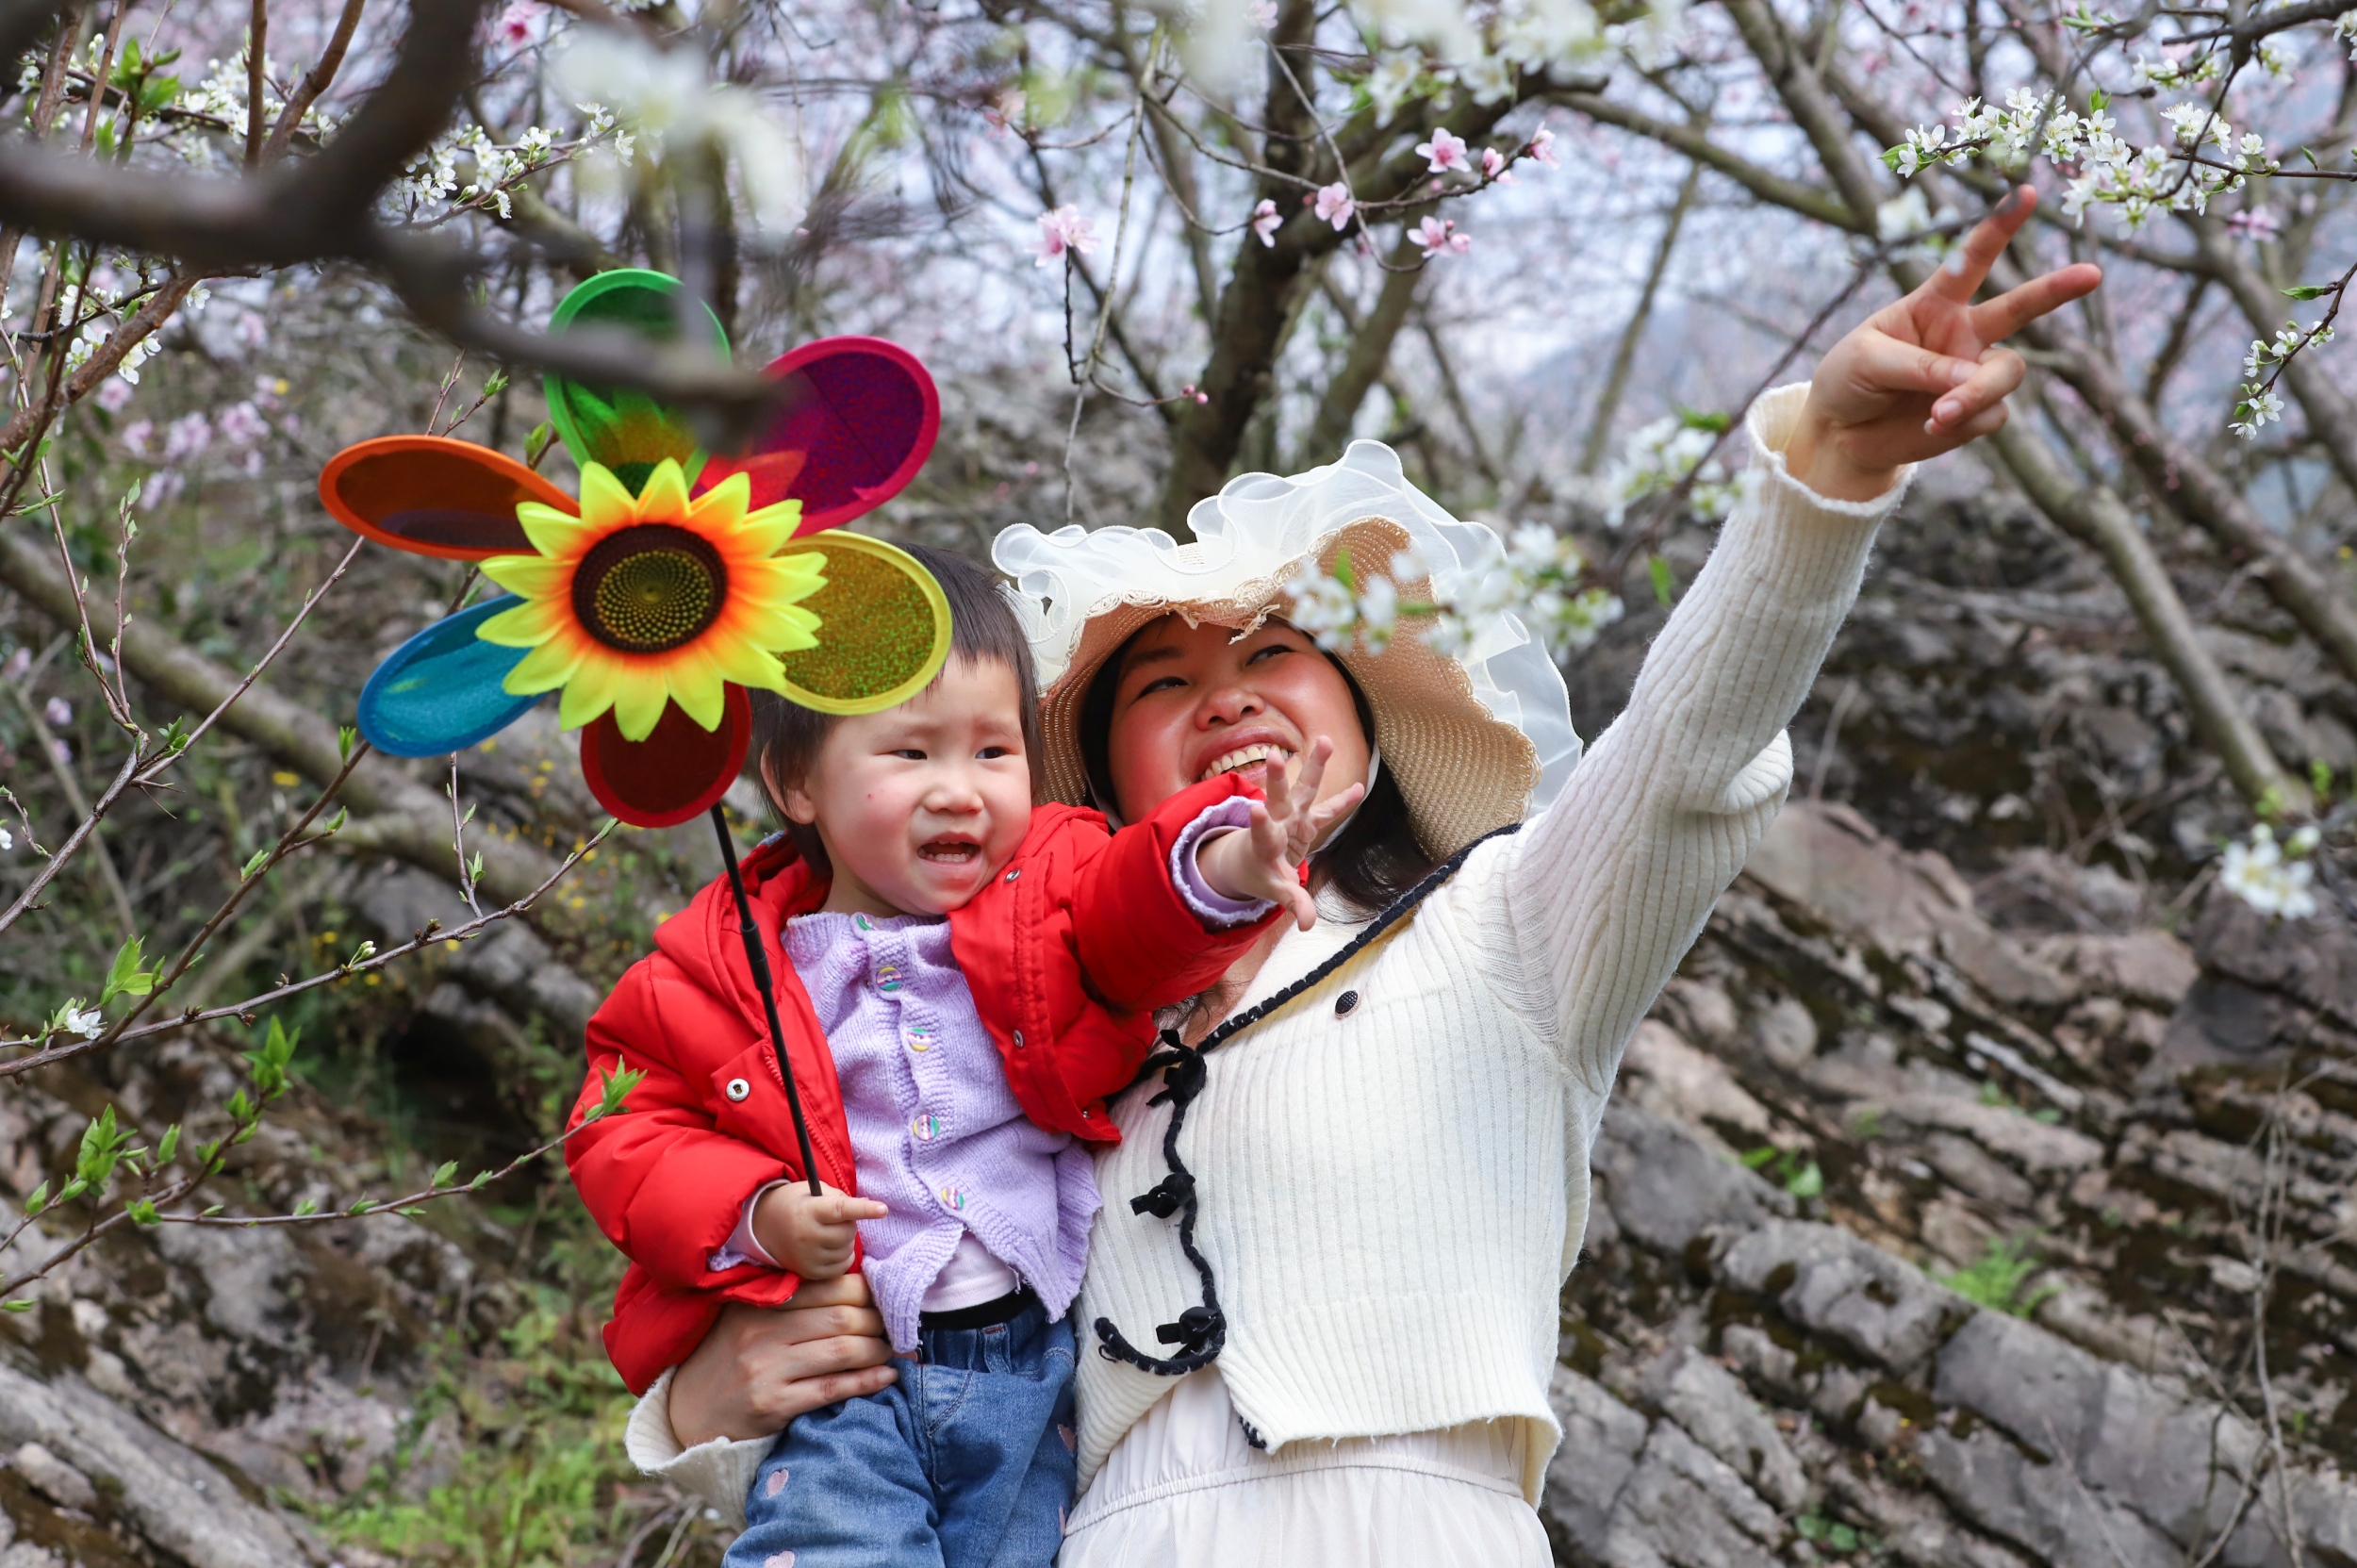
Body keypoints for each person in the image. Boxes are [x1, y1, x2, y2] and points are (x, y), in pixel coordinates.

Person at [625, 190, 2100, 1562]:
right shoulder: (1027, 1035)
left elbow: (1688, 753)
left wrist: (1826, 473)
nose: (1231, 693)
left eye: (1276, 653)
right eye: (1164, 679)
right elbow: (927, 1400)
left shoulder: (1505, 934)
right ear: (1095, 781)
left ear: (1365, 723)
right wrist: (699, 1404)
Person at [564, 546, 1365, 1568]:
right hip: (850, 1383)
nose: (960, 792)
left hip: (1032, 1371)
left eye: (993, 752)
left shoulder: (1048, 883)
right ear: (797, 781)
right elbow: (624, 1131)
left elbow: (1133, 899)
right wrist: (755, 1216)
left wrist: (1234, 861)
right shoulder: (719, 967)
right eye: (910, 755)